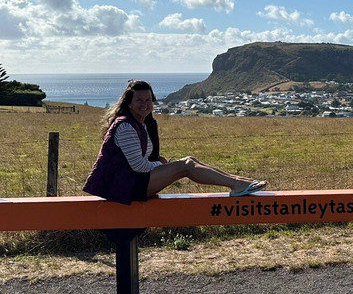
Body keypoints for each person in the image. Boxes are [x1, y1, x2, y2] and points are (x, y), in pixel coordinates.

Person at [83, 79, 266, 204]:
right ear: (129, 103)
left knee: (190, 160)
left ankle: (240, 181)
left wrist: (159, 163)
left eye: (148, 100)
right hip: (122, 187)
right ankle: (237, 184)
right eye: (139, 100)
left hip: (128, 183)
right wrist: (160, 164)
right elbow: (138, 166)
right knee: (186, 165)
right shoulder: (125, 126)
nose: (144, 104)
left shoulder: (140, 124)